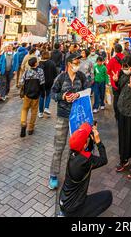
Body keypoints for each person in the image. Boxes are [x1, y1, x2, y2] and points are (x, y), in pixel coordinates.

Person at [49, 53, 87, 190]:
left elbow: (88, 90)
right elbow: (53, 93)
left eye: (79, 62)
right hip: (63, 116)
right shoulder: (61, 77)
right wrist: (63, 96)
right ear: (69, 63)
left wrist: (79, 94)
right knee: (58, 147)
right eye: (76, 62)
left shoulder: (81, 76)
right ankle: (53, 175)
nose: (78, 65)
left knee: (76, 148)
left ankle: (73, 175)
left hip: (77, 118)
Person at [59, 122, 112, 217]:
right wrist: (98, 141)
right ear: (84, 145)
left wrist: (90, 137)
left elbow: (85, 149)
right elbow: (104, 160)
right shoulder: (86, 161)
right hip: (73, 208)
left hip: (64, 201)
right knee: (108, 196)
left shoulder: (72, 153)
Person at [20, 57, 45, 137]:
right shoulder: (40, 71)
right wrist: (42, 92)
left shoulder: (27, 71)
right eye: (37, 61)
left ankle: (23, 123)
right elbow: (42, 82)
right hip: (36, 94)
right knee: (34, 111)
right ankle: (30, 128)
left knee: (24, 109)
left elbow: (22, 82)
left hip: (27, 94)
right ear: (35, 64)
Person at [107, 43, 124, 121]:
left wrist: (113, 75)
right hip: (124, 83)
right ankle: (124, 114)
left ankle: (117, 116)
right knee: (124, 98)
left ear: (115, 51)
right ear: (122, 50)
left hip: (115, 84)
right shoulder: (125, 58)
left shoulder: (112, 60)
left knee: (116, 99)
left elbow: (108, 71)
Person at [38, 51, 58, 118]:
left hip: (41, 82)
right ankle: (46, 107)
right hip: (49, 81)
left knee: (41, 96)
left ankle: (40, 112)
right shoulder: (52, 63)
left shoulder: (39, 63)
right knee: (48, 94)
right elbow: (55, 73)